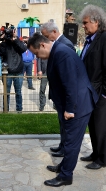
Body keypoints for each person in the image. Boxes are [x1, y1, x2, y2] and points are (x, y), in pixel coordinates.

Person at [27, 33, 98, 187]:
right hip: (74, 104)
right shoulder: (58, 50)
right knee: (68, 141)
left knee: (72, 142)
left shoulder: (61, 53)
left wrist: (70, 109)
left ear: (43, 45)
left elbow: (70, 83)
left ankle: (66, 176)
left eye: (36, 53)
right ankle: (63, 167)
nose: (37, 57)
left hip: (78, 105)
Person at [79, 5, 106, 170]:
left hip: (103, 93)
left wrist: (104, 94)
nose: (83, 26)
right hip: (91, 92)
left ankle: (102, 159)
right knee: (93, 125)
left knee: (101, 126)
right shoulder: (91, 40)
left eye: (86, 22)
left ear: (96, 21)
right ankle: (96, 153)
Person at [40, 21, 75, 157]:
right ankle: (62, 145)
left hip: (63, 93)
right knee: (61, 122)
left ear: (54, 32)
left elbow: (68, 74)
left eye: (46, 35)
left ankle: (65, 149)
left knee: (65, 123)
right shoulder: (58, 44)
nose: (45, 39)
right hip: (58, 92)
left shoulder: (65, 44)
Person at [0, 27, 27, 112]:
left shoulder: (17, 41)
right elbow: (1, 53)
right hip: (7, 72)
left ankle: (19, 110)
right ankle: (5, 109)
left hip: (18, 71)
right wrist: (3, 41)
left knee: (18, 92)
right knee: (6, 93)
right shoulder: (4, 43)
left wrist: (15, 39)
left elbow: (23, 49)